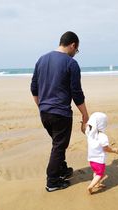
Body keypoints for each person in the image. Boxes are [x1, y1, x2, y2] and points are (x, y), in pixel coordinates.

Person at [30, 31, 89, 192]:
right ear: (73, 45)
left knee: (58, 143)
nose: (75, 54)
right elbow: (77, 93)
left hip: (44, 112)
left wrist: (41, 106)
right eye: (76, 51)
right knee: (59, 146)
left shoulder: (42, 60)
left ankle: (62, 169)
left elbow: (34, 88)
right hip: (60, 113)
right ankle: (52, 181)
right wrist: (85, 115)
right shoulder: (71, 63)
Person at [85, 112, 118, 194]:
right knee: (99, 174)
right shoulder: (102, 136)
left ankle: (97, 184)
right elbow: (106, 148)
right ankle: (91, 186)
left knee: (96, 172)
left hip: (91, 159)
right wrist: (114, 150)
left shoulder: (90, 133)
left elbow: (87, 127)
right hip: (99, 160)